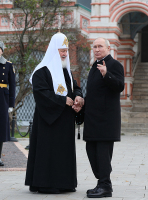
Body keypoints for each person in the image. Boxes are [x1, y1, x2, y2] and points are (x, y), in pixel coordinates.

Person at [25, 32, 84, 194]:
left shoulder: (67, 71)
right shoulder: (41, 71)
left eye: (66, 50)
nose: (65, 53)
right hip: (48, 120)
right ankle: (46, 183)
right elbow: (41, 93)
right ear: (53, 50)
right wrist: (62, 100)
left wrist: (78, 96)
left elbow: (74, 87)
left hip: (65, 120)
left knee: (63, 152)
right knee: (49, 152)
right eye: (61, 50)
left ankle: (65, 183)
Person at [83, 37, 124, 198]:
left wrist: (107, 74)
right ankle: (101, 182)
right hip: (92, 118)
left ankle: (105, 186)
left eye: (100, 46)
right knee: (91, 150)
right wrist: (82, 101)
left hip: (106, 119)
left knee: (102, 153)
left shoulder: (114, 65)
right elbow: (94, 93)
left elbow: (120, 86)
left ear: (108, 48)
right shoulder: (94, 67)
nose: (97, 49)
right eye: (94, 47)